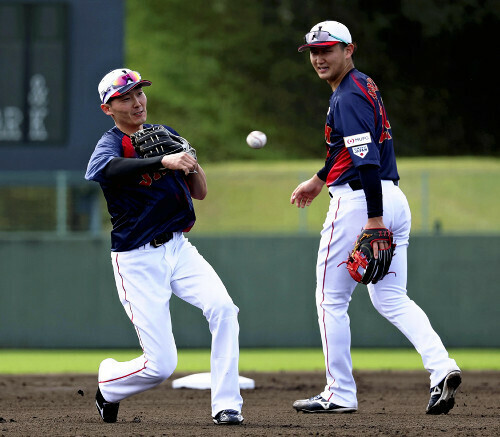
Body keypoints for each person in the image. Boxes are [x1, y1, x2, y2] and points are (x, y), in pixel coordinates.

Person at [290, 21, 461, 415]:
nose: (319, 57)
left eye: (328, 49)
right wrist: (319, 179)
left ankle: (339, 393)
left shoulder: (345, 98)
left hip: (362, 203)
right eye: (313, 51)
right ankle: (442, 368)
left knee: (330, 299)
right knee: (391, 298)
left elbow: (363, 157)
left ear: (350, 49)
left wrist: (374, 219)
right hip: (393, 196)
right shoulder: (363, 85)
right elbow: (349, 148)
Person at [85, 68, 244, 425]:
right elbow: (103, 171)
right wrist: (163, 160)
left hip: (179, 248)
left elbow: (199, 192)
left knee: (224, 310)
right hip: (137, 258)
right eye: (125, 98)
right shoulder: (111, 144)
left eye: (139, 93)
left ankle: (226, 405)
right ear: (107, 109)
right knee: (161, 366)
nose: (137, 102)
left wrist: (189, 160)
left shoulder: (165, 135)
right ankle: (109, 385)